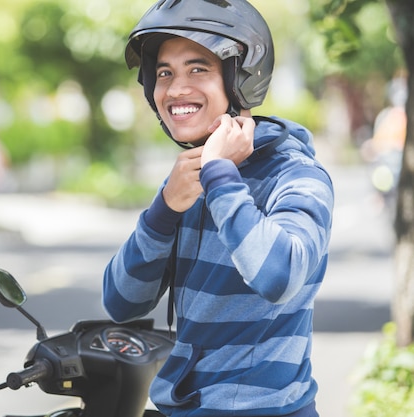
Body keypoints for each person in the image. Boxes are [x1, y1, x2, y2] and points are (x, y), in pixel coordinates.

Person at [102, 1, 334, 417]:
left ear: (241, 78)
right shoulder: (191, 177)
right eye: (164, 73)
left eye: (198, 69)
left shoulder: (297, 176)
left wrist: (221, 176)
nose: (175, 89)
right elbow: (122, 302)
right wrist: (165, 208)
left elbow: (278, 276)